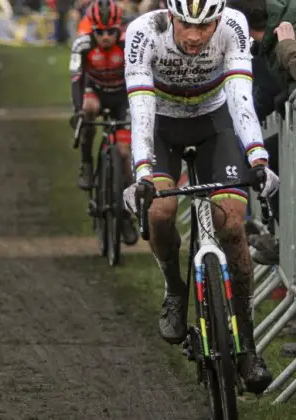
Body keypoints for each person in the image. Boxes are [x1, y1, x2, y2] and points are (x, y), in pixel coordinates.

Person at [121, 0, 279, 394]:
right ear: (170, 17)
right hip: (161, 125)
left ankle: (247, 347)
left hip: (214, 123)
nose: (195, 37)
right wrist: (142, 173)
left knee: (231, 225)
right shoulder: (143, 32)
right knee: (160, 212)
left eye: (205, 26)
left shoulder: (234, 25)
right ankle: (175, 290)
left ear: (218, 20)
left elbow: (241, 96)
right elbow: (140, 109)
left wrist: (258, 157)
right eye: (186, 26)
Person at [69, 0, 138, 246]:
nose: (106, 37)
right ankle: (87, 163)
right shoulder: (83, 45)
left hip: (121, 97)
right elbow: (76, 79)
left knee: (124, 153)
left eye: (112, 31)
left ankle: (127, 216)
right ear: (92, 29)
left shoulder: (129, 44)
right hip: (95, 91)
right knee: (88, 109)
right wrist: (78, 111)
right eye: (100, 32)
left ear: (119, 28)